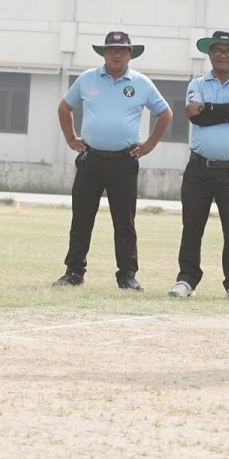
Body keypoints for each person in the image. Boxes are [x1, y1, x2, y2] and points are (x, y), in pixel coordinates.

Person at [54, 31, 172, 291]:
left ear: (130, 54)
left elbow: (164, 113)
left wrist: (149, 144)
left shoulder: (141, 83)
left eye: (122, 50)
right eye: (111, 50)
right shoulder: (87, 79)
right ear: (104, 53)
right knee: (81, 219)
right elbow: (64, 108)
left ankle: (127, 276)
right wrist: (71, 138)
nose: (116, 55)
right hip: (90, 159)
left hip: (124, 161)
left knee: (124, 222)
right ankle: (74, 272)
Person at [168, 31, 229, 301]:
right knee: (192, 226)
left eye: (228, 50)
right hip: (199, 169)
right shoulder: (197, 82)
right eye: (217, 49)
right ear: (209, 54)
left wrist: (206, 109)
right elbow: (197, 120)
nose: (222, 54)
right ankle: (186, 280)